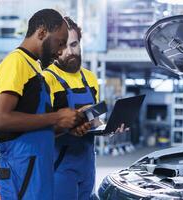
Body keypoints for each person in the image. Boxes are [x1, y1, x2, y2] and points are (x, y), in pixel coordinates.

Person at [0, 9, 85, 200]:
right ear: (42, 33)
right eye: (60, 43)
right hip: (21, 172)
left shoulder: (34, 68)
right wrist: (57, 116)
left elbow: (36, 125)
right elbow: (2, 119)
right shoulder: (15, 63)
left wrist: (67, 126)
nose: (60, 51)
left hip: (37, 170)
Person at [43, 17, 127, 200]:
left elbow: (94, 118)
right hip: (59, 166)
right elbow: (38, 130)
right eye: (62, 46)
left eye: (74, 44)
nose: (69, 52)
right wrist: (68, 128)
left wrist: (108, 127)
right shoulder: (46, 79)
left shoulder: (90, 78)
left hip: (88, 163)